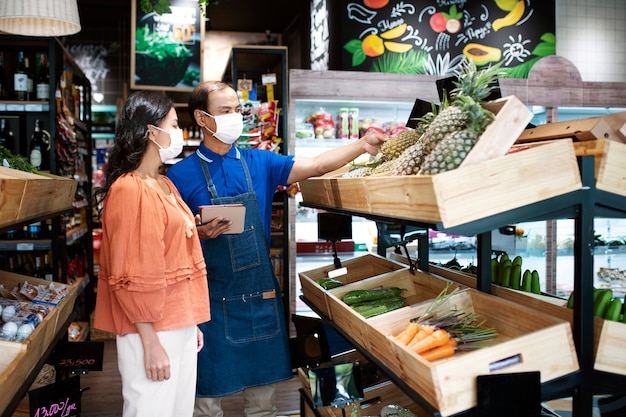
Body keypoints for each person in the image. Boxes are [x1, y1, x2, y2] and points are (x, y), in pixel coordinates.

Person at [165, 81, 387, 417]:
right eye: (226, 111)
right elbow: (168, 241)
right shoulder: (178, 176)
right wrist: (198, 234)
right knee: (205, 404)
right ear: (201, 117)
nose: (235, 117)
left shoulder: (261, 163)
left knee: (263, 405)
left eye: (237, 110)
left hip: (260, 298)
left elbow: (317, 166)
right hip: (209, 302)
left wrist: (361, 145)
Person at [93, 90, 211, 417]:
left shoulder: (165, 184)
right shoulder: (128, 189)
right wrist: (150, 341)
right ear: (150, 130)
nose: (180, 133)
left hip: (179, 323)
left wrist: (190, 323)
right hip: (151, 329)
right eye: (173, 124)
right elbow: (129, 274)